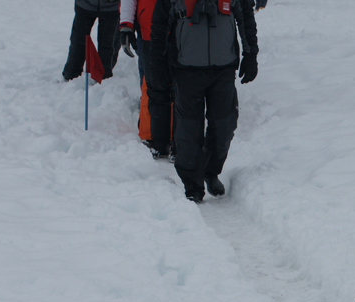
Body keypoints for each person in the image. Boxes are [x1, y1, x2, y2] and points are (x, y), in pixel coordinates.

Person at [147, 0, 258, 202]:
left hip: (223, 68)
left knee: (224, 125)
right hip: (185, 69)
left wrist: (251, 54)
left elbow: (246, 17)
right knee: (188, 130)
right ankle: (192, 184)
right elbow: (160, 24)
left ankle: (210, 171)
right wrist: (157, 64)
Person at [119, 0, 162, 146]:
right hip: (147, 31)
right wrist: (126, 24)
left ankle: (173, 133)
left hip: (179, 32)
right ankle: (149, 130)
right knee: (148, 83)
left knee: (176, 85)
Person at [63, 0, 122, 82]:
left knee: (108, 45)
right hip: (84, 5)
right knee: (78, 42)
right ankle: (71, 77)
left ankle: (104, 79)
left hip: (112, 7)